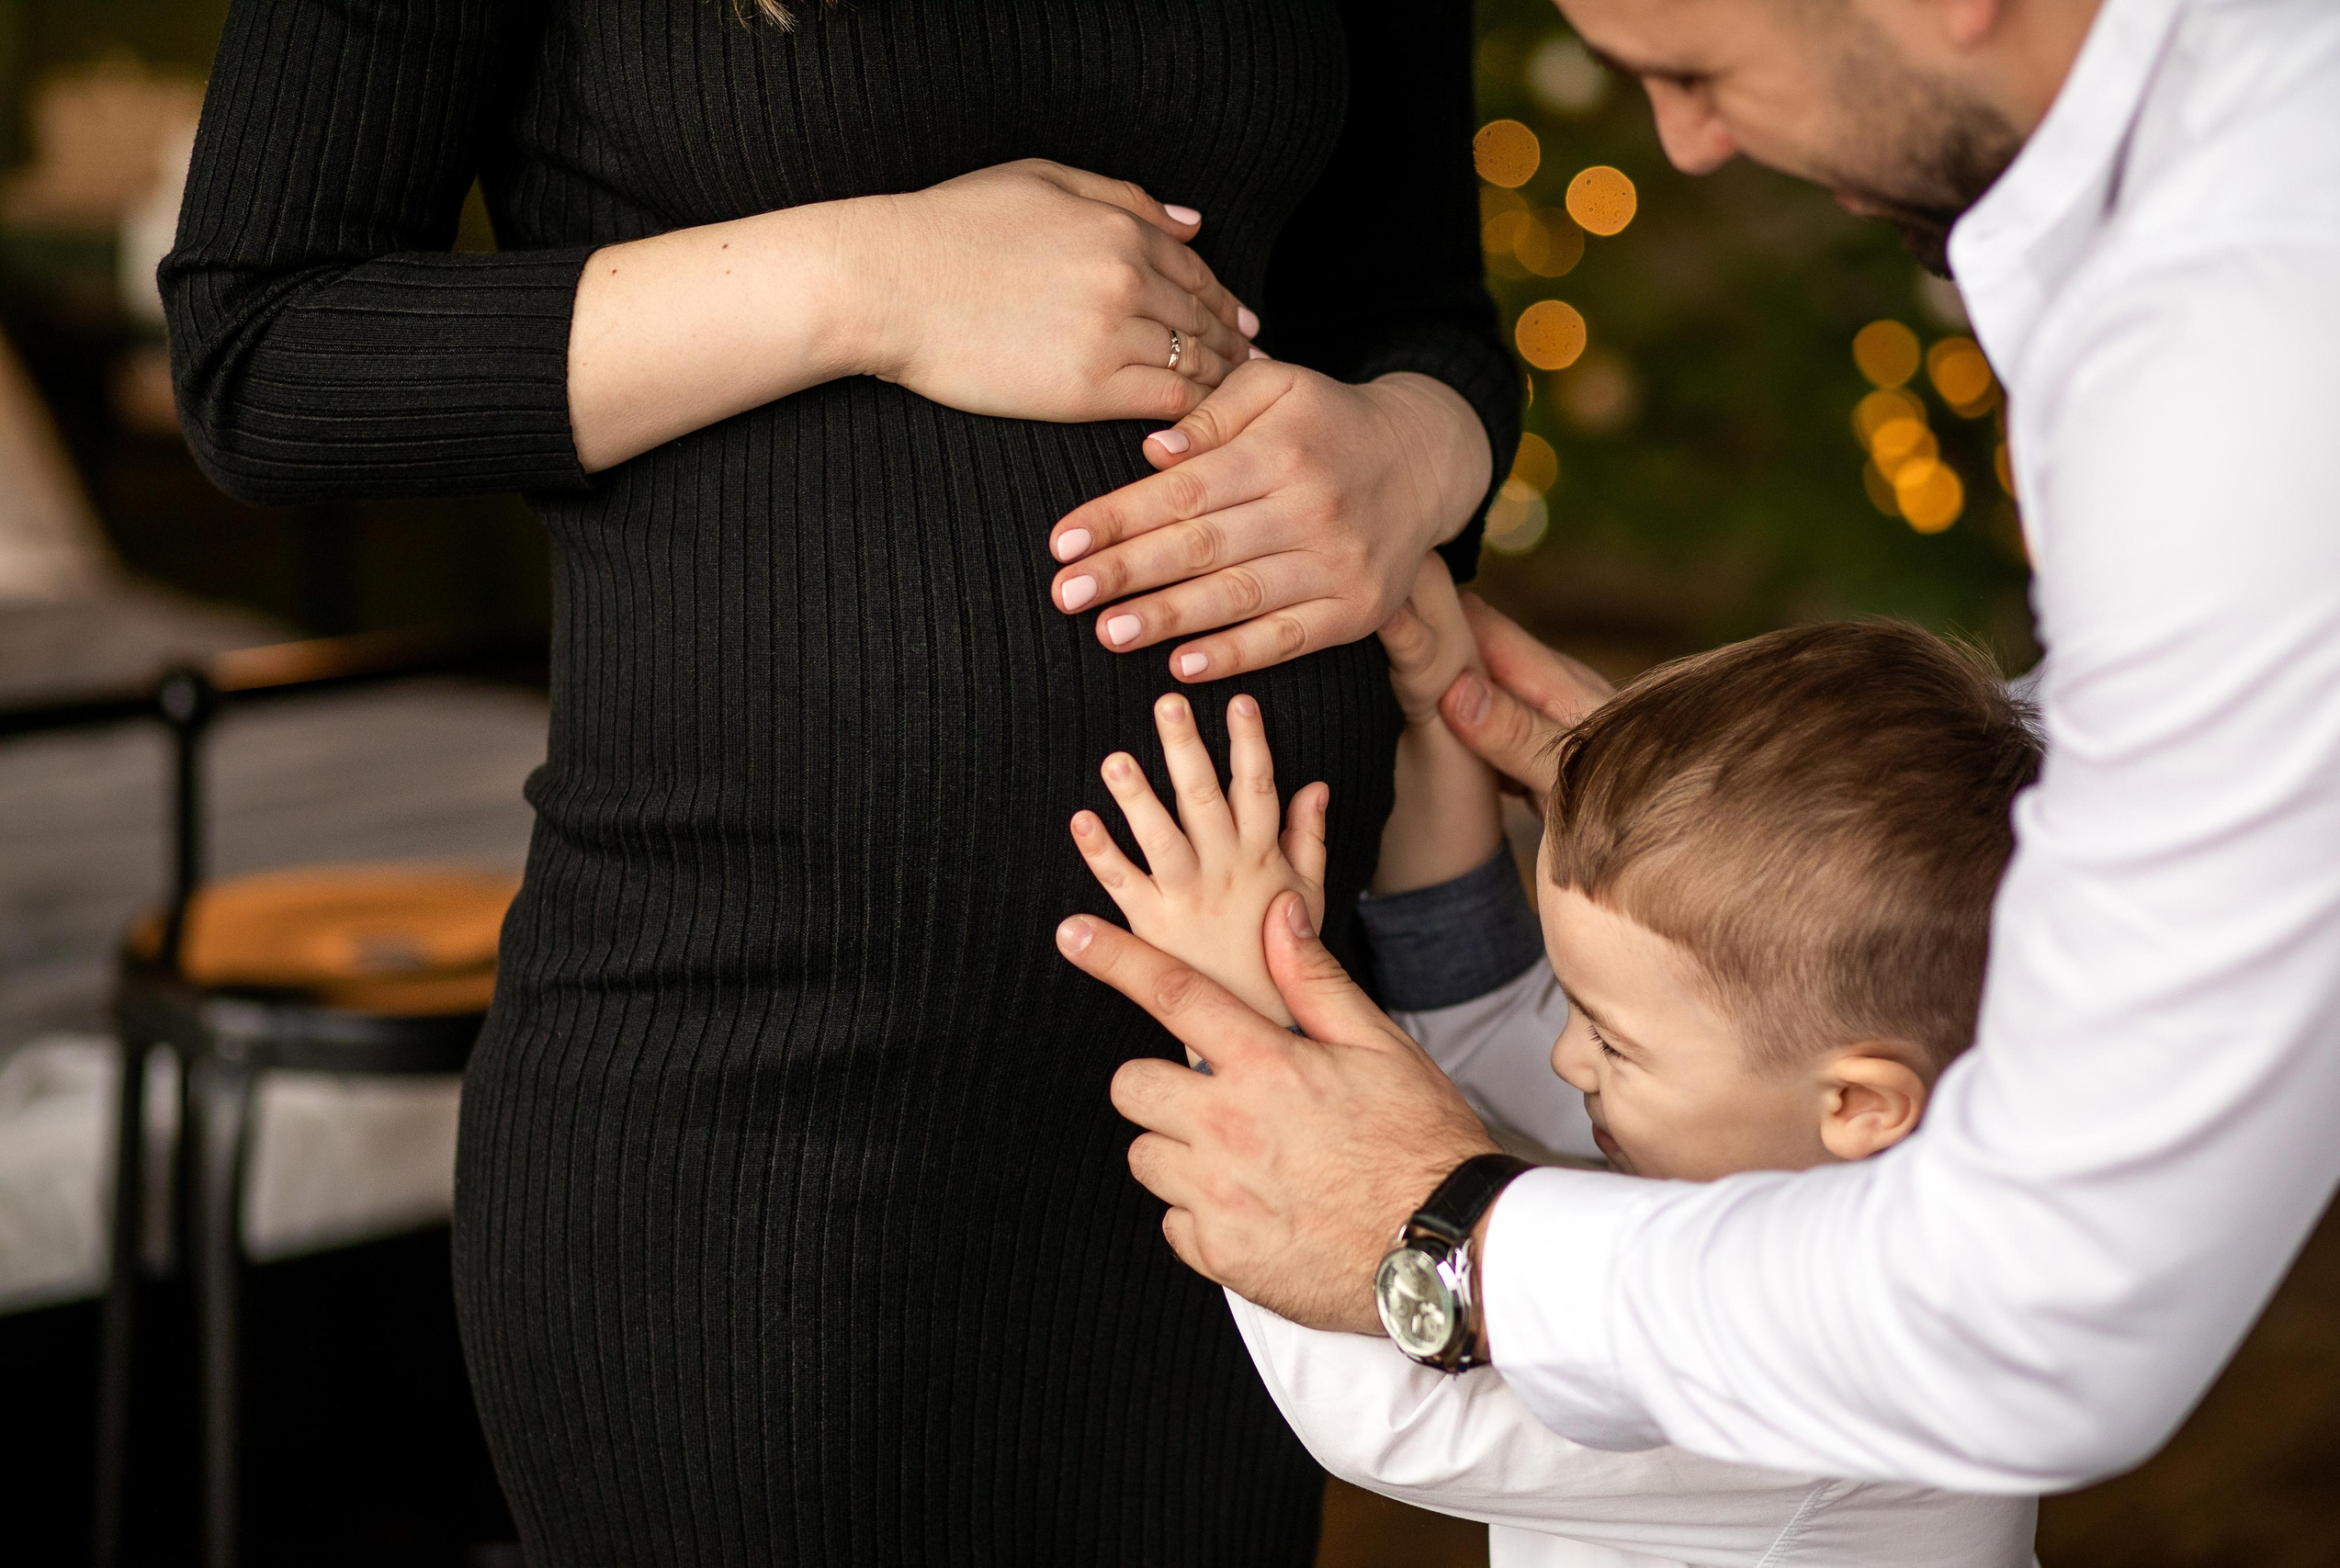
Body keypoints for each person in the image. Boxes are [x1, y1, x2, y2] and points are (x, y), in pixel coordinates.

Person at [160, 0, 1519, 1560]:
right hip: (764, 1098)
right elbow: (264, 355)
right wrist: (869, 282)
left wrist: (1409, 453)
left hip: (1241, 1102)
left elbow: (1423, 312)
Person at [1066, 0, 2340, 1497]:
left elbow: (2038, 1309)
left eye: (1694, 69)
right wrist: (1759, 834)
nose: (1690, 139)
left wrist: (1436, 1229)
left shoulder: (2249, 324)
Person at [1066, 565, 2042, 1566]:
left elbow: (1403, 1415)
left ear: (1859, 1103)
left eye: (1612, 1038)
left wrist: (1236, 1006)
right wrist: (1441, 734)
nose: (1568, 1052)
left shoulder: (1852, 1359)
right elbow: (1499, 1053)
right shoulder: (1773, 1134)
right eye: (1574, 1001)